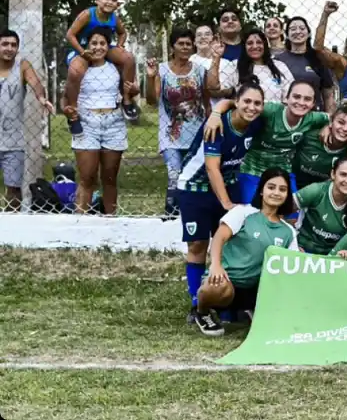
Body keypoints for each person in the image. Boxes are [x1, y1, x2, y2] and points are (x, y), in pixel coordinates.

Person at [177, 79, 265, 322]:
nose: (252, 107)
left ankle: (226, 300)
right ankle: (198, 304)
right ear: (237, 101)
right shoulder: (217, 126)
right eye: (247, 101)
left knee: (229, 242)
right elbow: (212, 168)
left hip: (228, 183)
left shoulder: (255, 122)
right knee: (198, 245)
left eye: (258, 103)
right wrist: (226, 204)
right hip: (195, 187)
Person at [194, 167, 298, 336]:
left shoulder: (288, 232)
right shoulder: (243, 212)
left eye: (282, 189)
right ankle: (202, 311)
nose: (276, 193)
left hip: (255, 288)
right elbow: (219, 238)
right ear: (262, 190)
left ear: (287, 195)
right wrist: (216, 265)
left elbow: (290, 266)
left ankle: (251, 310)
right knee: (218, 286)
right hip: (227, 281)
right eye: (271, 187)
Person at [204, 80, 328, 203]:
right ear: (286, 98)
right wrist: (216, 113)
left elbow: (335, 117)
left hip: (283, 172)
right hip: (253, 170)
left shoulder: (313, 118)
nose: (301, 102)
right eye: (296, 97)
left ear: (313, 104)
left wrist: (328, 126)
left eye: (307, 99)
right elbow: (234, 102)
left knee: (293, 210)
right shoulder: (268, 110)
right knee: (252, 211)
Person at [64, 27, 132, 214]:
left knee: (109, 179)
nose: (98, 47)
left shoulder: (115, 67)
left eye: (102, 43)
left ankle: (110, 219)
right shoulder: (79, 68)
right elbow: (65, 98)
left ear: (108, 46)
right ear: (86, 45)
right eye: (94, 43)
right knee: (87, 177)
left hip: (113, 123)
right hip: (87, 123)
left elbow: (129, 91)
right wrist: (68, 111)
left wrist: (132, 92)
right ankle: (81, 221)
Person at [145, 27, 209, 216]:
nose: (185, 47)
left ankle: (192, 215)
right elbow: (151, 100)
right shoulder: (162, 70)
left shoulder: (200, 71)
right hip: (171, 135)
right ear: (172, 46)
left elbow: (206, 102)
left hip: (196, 134)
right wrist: (150, 78)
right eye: (181, 43)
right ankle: (171, 214)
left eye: (188, 44)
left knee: (192, 177)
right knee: (174, 175)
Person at [62, 0, 139, 128]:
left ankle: (127, 99)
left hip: (104, 48)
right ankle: (73, 110)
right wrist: (82, 52)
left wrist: (120, 45)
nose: (110, 2)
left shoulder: (114, 18)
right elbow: (70, 35)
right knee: (75, 71)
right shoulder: (87, 14)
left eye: (114, 0)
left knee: (128, 58)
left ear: (117, 4)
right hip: (82, 49)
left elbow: (122, 33)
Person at [0, 29, 54, 208]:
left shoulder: (22, 66)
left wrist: (42, 99)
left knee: (13, 189)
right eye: (5, 44)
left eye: (13, 45)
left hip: (13, 140)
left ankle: (11, 223)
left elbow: (36, 84)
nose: (9, 48)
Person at [293, 156, 347, 255]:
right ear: (333, 174)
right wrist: (292, 244)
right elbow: (282, 209)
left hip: (334, 257)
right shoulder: (316, 191)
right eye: (343, 174)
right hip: (304, 251)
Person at [208, 29, 294, 103]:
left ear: (265, 45)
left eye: (259, 42)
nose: (255, 46)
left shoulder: (279, 66)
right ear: (244, 47)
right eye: (250, 43)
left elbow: (290, 95)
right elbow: (214, 90)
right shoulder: (234, 66)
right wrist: (216, 58)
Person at [294, 101, 347, 189]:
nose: (345, 129)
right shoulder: (310, 136)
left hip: (325, 194)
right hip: (295, 188)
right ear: (331, 122)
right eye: (341, 122)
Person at [276, 16, 335, 112]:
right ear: (287, 35)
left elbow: (328, 95)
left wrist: (330, 116)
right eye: (293, 29)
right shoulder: (278, 60)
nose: (298, 31)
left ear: (308, 34)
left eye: (302, 28)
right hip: (286, 114)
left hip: (314, 114)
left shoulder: (318, 59)